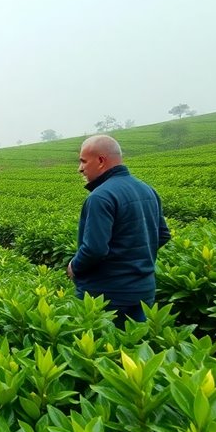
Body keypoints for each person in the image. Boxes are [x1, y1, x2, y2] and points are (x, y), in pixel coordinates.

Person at [66, 135, 171, 326]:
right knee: (134, 349)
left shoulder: (101, 197)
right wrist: (133, 259)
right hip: (143, 290)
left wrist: (74, 266)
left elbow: (94, 249)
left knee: (104, 352)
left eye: (83, 161)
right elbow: (162, 234)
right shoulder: (147, 190)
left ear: (100, 161)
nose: (80, 168)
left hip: (107, 297)